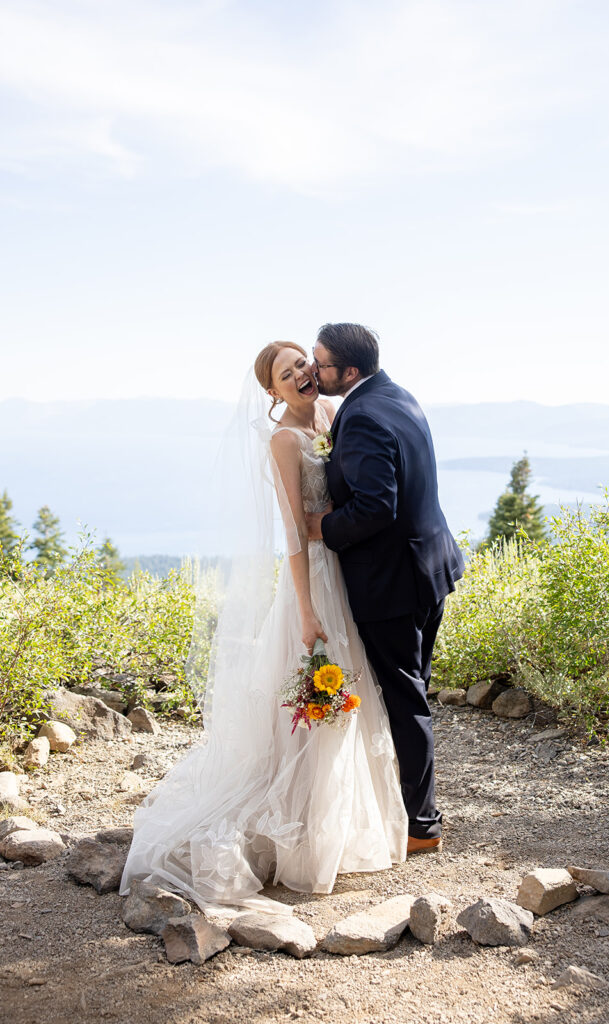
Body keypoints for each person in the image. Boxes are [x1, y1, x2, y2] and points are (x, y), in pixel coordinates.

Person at [119, 341, 407, 913]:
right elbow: (293, 534)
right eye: (286, 371)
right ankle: (302, 833)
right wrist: (305, 609)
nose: (301, 373)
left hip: (350, 572)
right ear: (272, 391)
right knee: (318, 697)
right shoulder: (282, 440)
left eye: (303, 363)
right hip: (317, 579)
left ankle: (338, 822)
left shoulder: (330, 414)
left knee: (351, 697)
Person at [307, 323, 464, 854]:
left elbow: (376, 506)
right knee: (411, 688)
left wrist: (321, 528)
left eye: (320, 363)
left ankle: (422, 825)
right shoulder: (396, 395)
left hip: (392, 581)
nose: (313, 370)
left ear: (348, 372)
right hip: (429, 568)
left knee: (404, 697)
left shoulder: (364, 417)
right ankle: (407, 805)